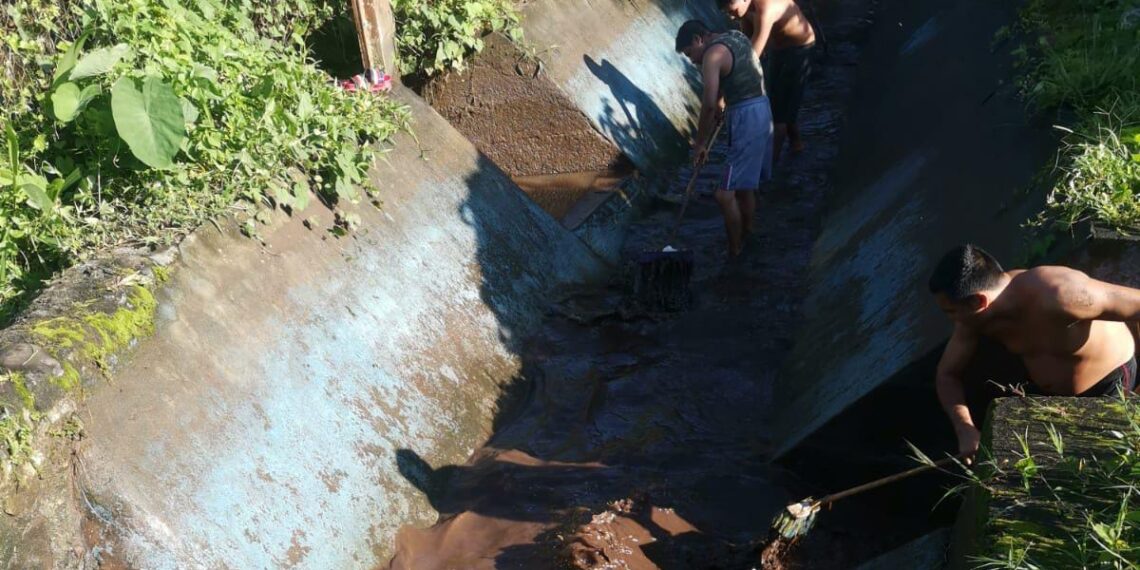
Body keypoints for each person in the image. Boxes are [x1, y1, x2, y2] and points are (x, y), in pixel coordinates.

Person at [929, 244, 1140, 461]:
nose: (951, 319)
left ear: (979, 301)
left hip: (1111, 385)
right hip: (1052, 397)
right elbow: (947, 374)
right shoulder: (972, 319)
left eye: (951, 312)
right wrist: (966, 430)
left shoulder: (1062, 294)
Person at [675, 20, 774, 257]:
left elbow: (708, 105)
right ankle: (748, 234)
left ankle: (734, 251)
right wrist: (723, 103)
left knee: (723, 194)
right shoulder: (733, 35)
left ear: (698, 39)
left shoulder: (711, 55)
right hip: (761, 109)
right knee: (745, 186)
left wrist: (700, 144)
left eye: (690, 54)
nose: (693, 61)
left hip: (746, 118)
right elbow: (733, 78)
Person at [717, 0, 816, 163]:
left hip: (800, 49)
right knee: (778, 101)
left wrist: (725, 94)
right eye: (727, 13)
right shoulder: (744, 9)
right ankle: (796, 144)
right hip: (779, 49)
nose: (731, 16)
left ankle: (767, 169)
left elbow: (751, 58)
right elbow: (748, 44)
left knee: (778, 119)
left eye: (732, 11)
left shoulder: (766, 8)